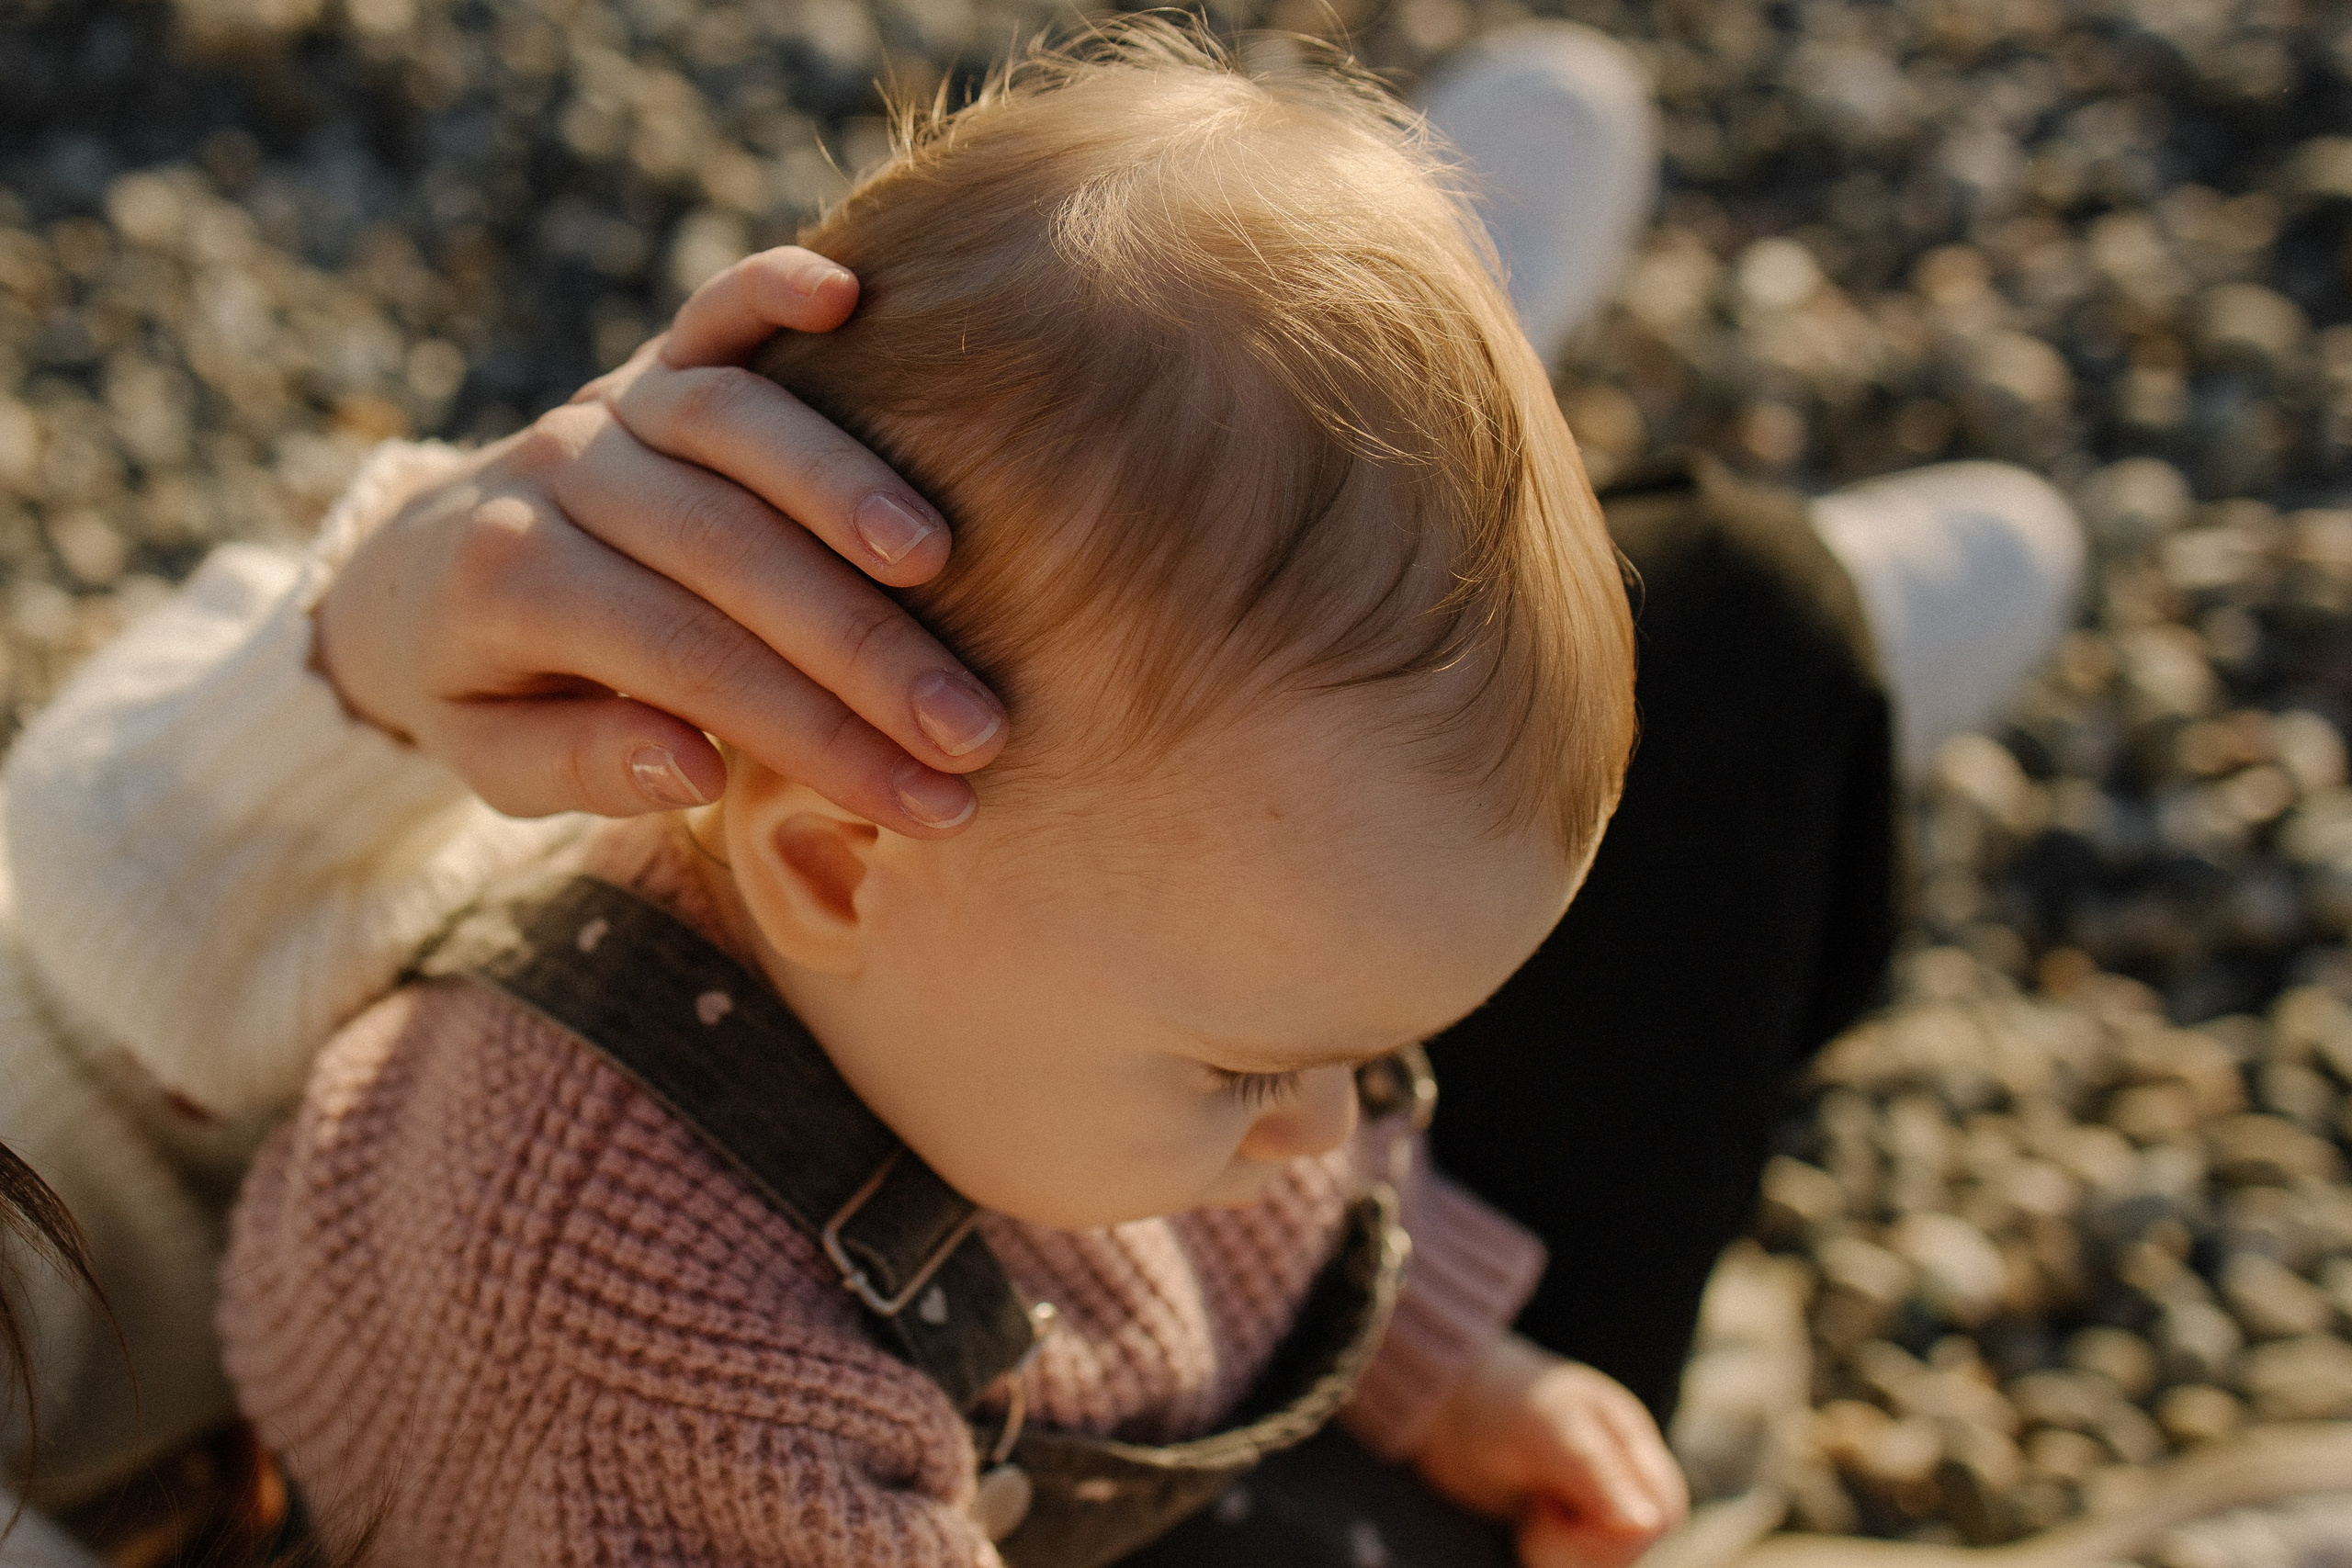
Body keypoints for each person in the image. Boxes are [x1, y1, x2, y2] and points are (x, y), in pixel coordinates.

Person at [12, 24, 1692, 1568]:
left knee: (1621, 636)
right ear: (831, 867)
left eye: (1352, 1051)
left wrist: (1452, 1374)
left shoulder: (1033, 965)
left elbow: (1276, 1197)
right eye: (1271, 1063)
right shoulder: (614, 1345)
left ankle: (1357, 423)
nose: (1339, 1122)